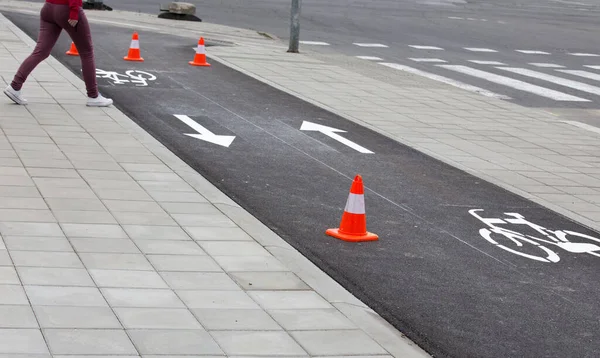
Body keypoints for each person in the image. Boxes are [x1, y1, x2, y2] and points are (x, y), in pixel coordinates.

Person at [4, 0, 112, 107]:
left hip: (48, 8)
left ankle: (14, 86)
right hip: (67, 8)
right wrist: (74, 12)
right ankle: (93, 96)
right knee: (86, 52)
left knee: (41, 51)